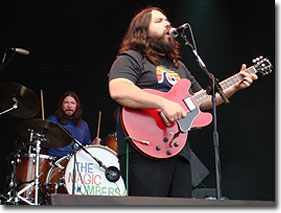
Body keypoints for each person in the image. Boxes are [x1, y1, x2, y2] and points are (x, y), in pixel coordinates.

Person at [108, 7, 258, 198]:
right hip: (142, 147)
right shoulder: (132, 57)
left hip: (177, 148)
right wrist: (162, 104)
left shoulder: (180, 67)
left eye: (167, 20)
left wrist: (235, 85)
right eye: (159, 21)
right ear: (142, 30)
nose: (167, 23)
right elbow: (119, 90)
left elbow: (202, 100)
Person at [47, 91, 101, 157]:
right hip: (56, 160)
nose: (69, 106)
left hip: (77, 161)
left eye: (72, 103)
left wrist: (93, 145)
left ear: (77, 106)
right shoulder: (53, 120)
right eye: (66, 102)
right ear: (61, 106)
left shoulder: (83, 125)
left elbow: (87, 146)